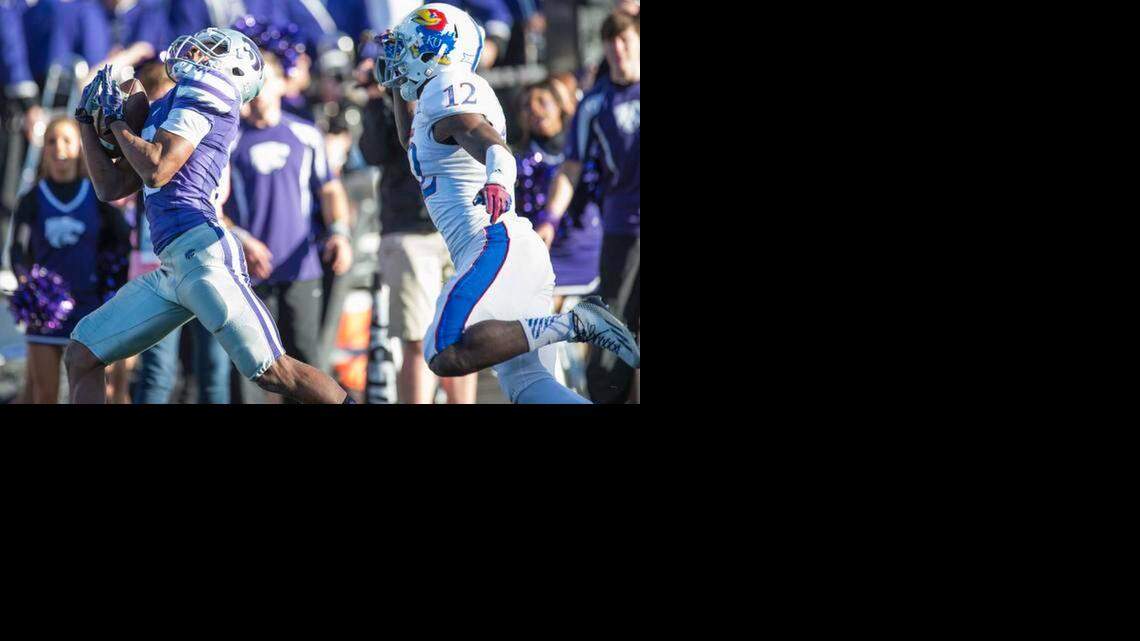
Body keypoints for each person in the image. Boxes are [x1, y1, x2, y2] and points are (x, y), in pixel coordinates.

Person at [64, 27, 354, 404]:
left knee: (275, 371)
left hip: (204, 253)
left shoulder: (209, 91)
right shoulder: (172, 101)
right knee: (83, 354)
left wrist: (118, 124)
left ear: (231, 68)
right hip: (170, 266)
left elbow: (158, 168)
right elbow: (112, 187)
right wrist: (86, 122)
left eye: (213, 50)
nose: (198, 52)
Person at [377, 3, 638, 404]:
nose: (396, 58)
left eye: (405, 48)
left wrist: (498, 177)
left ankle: (574, 322)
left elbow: (489, 143)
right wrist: (397, 83)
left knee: (443, 349)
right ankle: (568, 324)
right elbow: (407, 139)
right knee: (529, 387)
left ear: (434, 50)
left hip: (493, 243)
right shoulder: (434, 99)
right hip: (509, 249)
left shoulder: (447, 87)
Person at [224, 49, 354, 403]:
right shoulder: (229, 141)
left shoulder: (305, 134)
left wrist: (340, 233)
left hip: (301, 268)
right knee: (253, 368)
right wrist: (243, 240)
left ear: (283, 83)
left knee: (306, 363)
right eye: (253, 85)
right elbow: (213, 207)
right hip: (248, 273)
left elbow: (329, 189)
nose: (260, 92)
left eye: (267, 82)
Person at [360, 73, 477, 404]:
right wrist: (376, 97)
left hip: (456, 228)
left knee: (462, 335)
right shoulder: (387, 102)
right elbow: (375, 151)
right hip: (409, 231)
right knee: (417, 338)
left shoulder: (455, 89)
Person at [543, 10, 638, 403]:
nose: (618, 50)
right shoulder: (594, 103)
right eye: (610, 42)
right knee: (616, 327)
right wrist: (548, 219)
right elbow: (571, 167)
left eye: (626, 40)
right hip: (621, 228)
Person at [7, 117, 129, 403]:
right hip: (45, 314)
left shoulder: (98, 195)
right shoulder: (32, 198)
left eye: (67, 140)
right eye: (51, 141)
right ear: (44, 149)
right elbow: (17, 250)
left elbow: (122, 242)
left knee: (92, 395)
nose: (58, 148)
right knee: (45, 395)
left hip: (89, 307)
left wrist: (111, 283)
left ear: (80, 148)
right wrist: (28, 283)